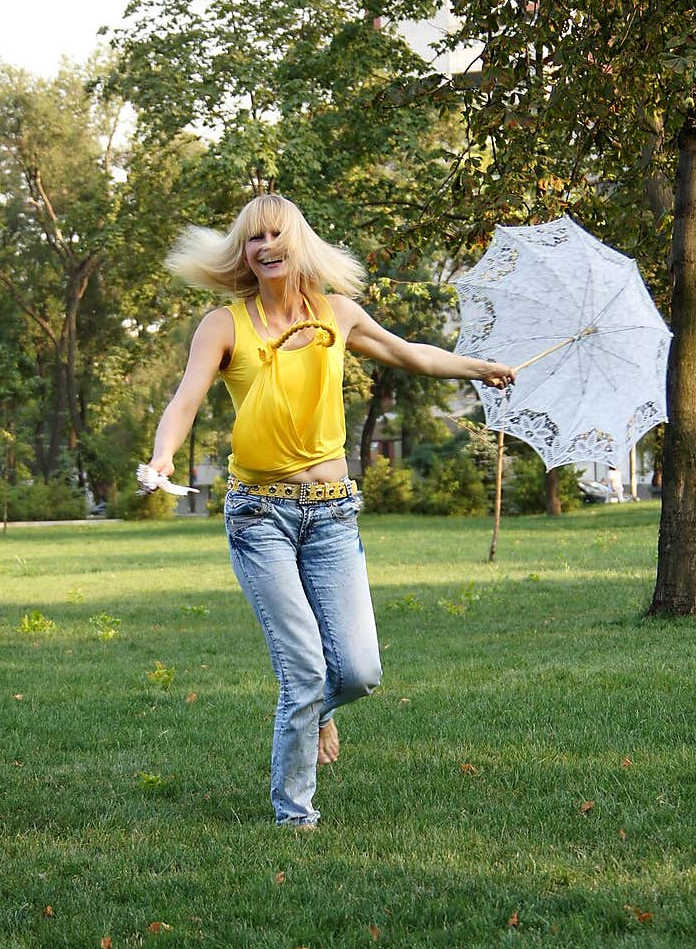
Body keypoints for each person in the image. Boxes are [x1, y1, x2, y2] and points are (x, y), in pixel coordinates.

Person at [147, 193, 515, 829]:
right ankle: (295, 812)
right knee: (305, 668)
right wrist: (162, 458)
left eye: (274, 236)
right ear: (243, 252)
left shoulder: (335, 313)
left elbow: (412, 354)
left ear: (298, 244)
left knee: (361, 670)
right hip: (260, 514)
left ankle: (318, 709)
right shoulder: (223, 324)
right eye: (252, 239)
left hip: (333, 512)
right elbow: (184, 402)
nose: (264, 248)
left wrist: (474, 367)